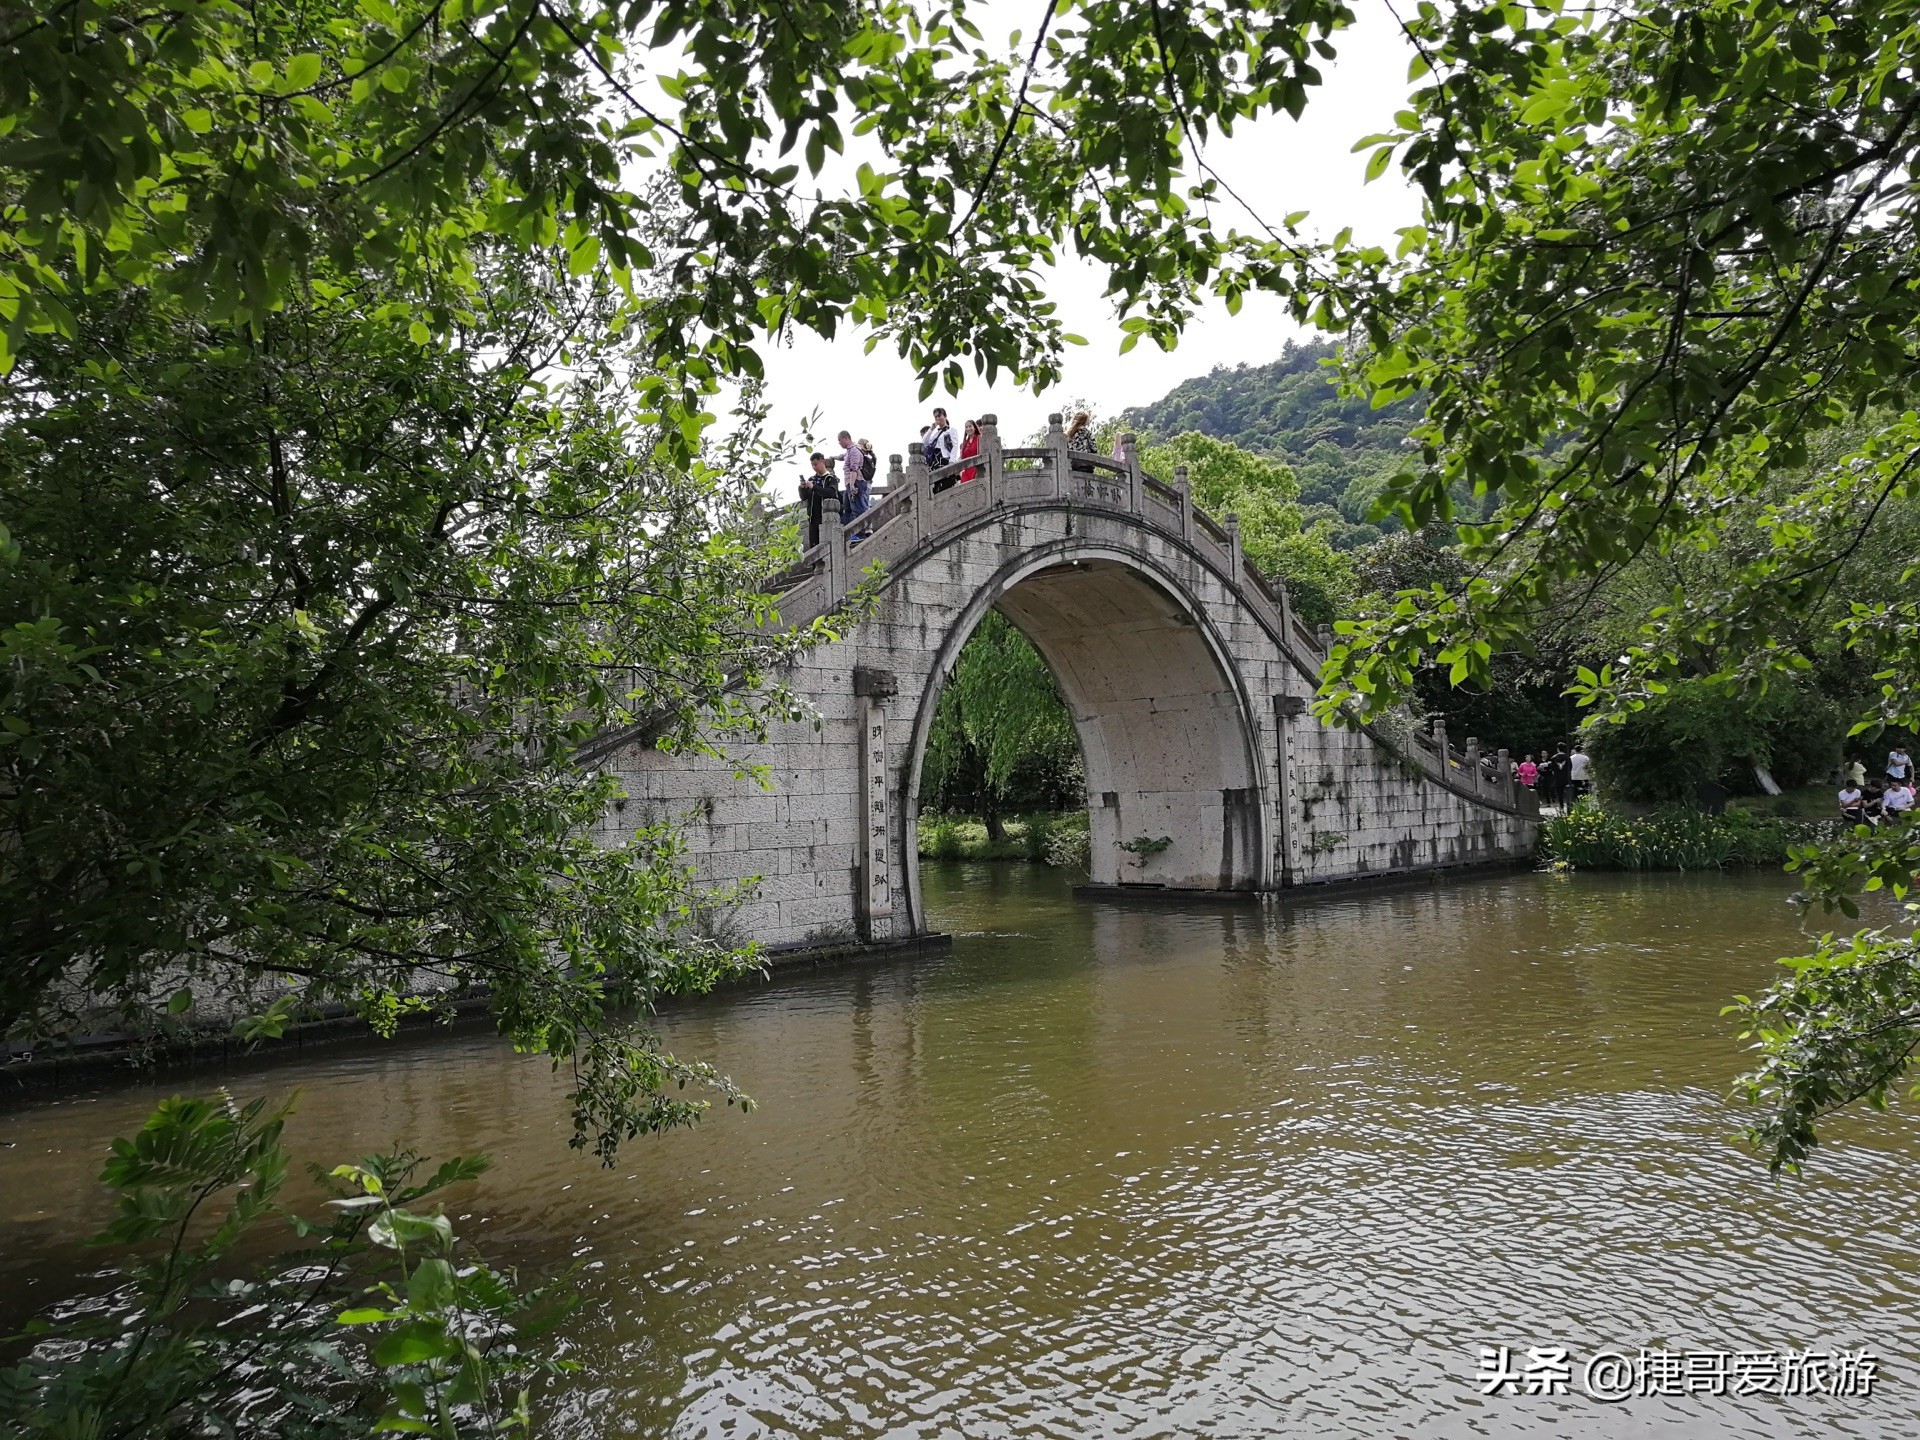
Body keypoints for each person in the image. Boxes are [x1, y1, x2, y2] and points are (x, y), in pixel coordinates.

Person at [798, 451, 837, 547]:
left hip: (826, 518)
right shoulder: (812, 479)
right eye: (812, 465)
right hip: (812, 518)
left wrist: (814, 487)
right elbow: (804, 497)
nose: (814, 467)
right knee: (813, 547)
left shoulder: (830, 479)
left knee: (826, 546)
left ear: (822, 462)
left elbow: (831, 493)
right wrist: (802, 488)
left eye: (816, 464)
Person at [838, 430, 870, 524]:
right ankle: (848, 532)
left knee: (858, 509)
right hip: (850, 482)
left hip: (856, 482)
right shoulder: (850, 451)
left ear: (845, 438)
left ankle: (861, 533)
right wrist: (832, 457)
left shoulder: (854, 451)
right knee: (848, 508)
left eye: (840, 440)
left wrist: (852, 485)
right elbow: (842, 457)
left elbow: (854, 469)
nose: (839, 442)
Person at [958, 418, 980, 482]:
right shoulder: (965, 443)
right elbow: (962, 458)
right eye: (966, 427)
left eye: (970, 426)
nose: (968, 428)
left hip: (977, 469)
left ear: (975, 427)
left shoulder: (979, 439)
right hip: (966, 472)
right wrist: (961, 472)